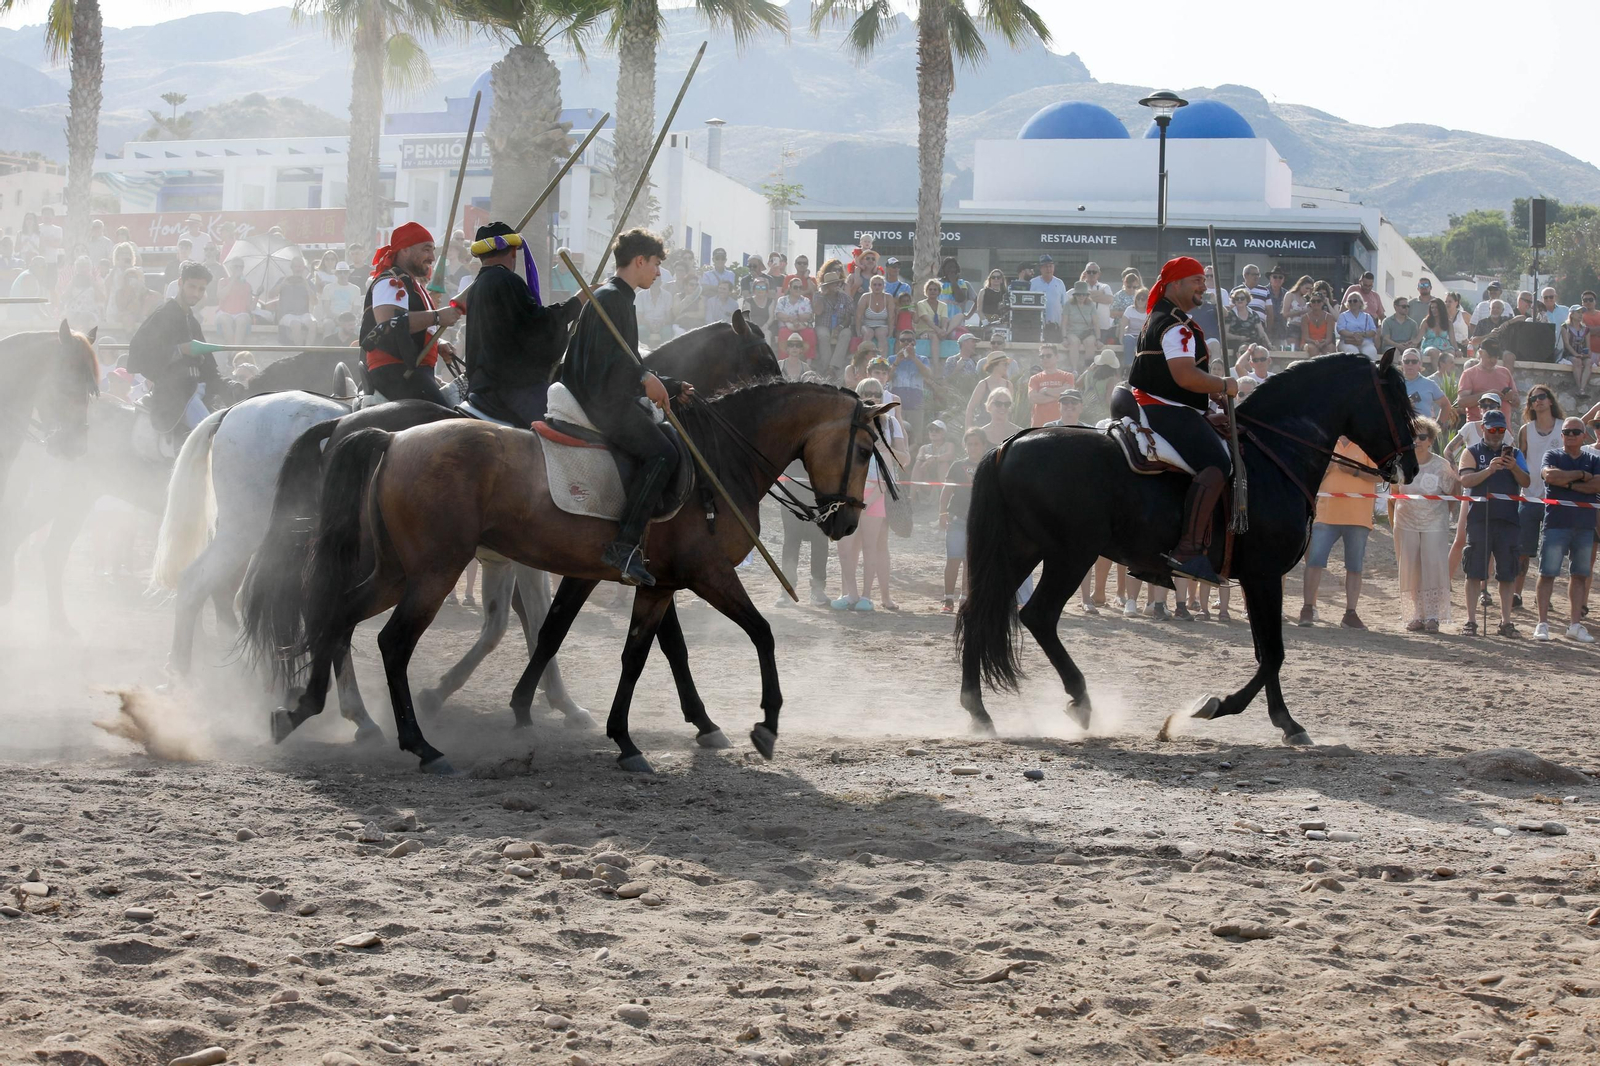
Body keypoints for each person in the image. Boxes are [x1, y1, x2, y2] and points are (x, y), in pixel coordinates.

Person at [559, 228, 691, 586]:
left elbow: (625, 360)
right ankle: (624, 546)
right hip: (601, 402)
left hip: (608, 395)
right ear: (639, 261)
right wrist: (642, 379)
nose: (658, 272)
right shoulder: (612, 299)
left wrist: (669, 384)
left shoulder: (616, 297)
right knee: (664, 453)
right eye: (656, 264)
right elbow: (608, 367)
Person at [1128, 256, 1237, 584]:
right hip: (1165, 409)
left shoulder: (1160, 316)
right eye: (1196, 280)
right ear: (1175, 285)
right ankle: (1188, 550)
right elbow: (1184, 376)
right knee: (1219, 463)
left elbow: (1177, 377)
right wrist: (1223, 385)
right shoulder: (1176, 325)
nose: (1203, 286)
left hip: (1158, 403)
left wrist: (1211, 395)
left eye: (1204, 280)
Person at [458, 221, 582, 426]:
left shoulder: (478, 285)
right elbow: (537, 325)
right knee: (564, 426)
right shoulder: (507, 280)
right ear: (513, 252)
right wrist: (577, 303)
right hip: (511, 386)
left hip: (482, 383)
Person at [359, 221, 462, 406]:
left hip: (415, 372)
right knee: (448, 423)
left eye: (432, 250)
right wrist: (438, 316)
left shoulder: (413, 284)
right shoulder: (390, 281)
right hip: (396, 372)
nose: (432, 257)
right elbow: (388, 325)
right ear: (405, 250)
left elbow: (414, 329)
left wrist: (437, 344)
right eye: (426, 249)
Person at [832, 375, 904, 612]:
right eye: (866, 393)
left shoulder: (890, 424)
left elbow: (903, 460)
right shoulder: (846, 423)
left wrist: (889, 450)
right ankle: (849, 594)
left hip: (878, 492)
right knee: (844, 548)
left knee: (872, 547)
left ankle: (866, 596)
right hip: (850, 494)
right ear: (858, 396)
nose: (871, 397)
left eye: (876, 393)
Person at [1457, 409, 1530, 636]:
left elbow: (1526, 482)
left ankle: (1506, 621)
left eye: (1500, 429)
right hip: (1480, 518)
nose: (1497, 434)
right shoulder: (1471, 452)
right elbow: (1465, 479)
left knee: (1508, 572)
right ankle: (1471, 621)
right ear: (1483, 429)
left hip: (1508, 520)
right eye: (1492, 429)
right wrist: (1489, 470)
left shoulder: (1515, 454)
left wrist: (1513, 467)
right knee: (1474, 571)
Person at [126, 260, 219, 434]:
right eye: (192, 286)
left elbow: (210, 368)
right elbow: (138, 351)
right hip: (176, 394)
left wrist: (231, 385)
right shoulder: (163, 315)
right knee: (211, 434)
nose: (196, 293)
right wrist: (178, 350)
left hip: (199, 390)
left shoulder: (193, 322)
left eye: (201, 289)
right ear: (180, 283)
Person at [1299, 437, 1378, 629]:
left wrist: (1356, 471)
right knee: (1314, 561)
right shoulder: (1324, 442)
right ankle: (1307, 608)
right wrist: (1325, 468)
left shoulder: (1368, 443)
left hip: (1358, 516)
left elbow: (1382, 475)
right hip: (1326, 514)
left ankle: (1350, 613)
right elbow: (1307, 474)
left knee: (1355, 566)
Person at [1534, 416, 1600, 641]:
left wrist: (1565, 482)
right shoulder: (1552, 455)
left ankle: (1575, 625)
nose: (1570, 435)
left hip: (1584, 525)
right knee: (1547, 573)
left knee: (1580, 575)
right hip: (1556, 523)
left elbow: (1598, 484)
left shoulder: (1593, 459)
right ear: (1561, 435)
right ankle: (1542, 623)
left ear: (1584, 435)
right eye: (1567, 432)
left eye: (1575, 432)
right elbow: (1549, 476)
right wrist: (1581, 477)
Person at [1388, 417, 1457, 632]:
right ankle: (1415, 615)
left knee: (1434, 566)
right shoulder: (1400, 464)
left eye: (1422, 436)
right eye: (1412, 436)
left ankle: (1433, 616)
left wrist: (1442, 516)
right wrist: (1394, 523)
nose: (1417, 440)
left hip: (1434, 524)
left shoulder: (1441, 465)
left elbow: (1453, 495)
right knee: (1410, 567)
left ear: (1431, 439)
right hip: (1406, 522)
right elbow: (1394, 495)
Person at [1512, 386, 1564, 608]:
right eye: (1533, 399)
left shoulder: (1564, 428)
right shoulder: (1526, 430)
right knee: (1523, 552)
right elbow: (1521, 458)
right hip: (1529, 496)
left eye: (1542, 397)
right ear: (1530, 405)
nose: (1538, 401)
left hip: (1556, 498)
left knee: (1550, 552)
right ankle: (1516, 594)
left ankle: (1544, 597)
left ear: (1550, 400)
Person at [939, 427, 988, 613]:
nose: (973, 447)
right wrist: (942, 513)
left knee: (970, 561)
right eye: (969, 444)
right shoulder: (957, 465)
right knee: (953, 559)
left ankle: (965, 598)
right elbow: (946, 492)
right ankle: (948, 599)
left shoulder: (989, 465)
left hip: (979, 523)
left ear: (984, 445)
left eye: (976, 444)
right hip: (957, 520)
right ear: (964, 446)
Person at [888, 328, 933, 444]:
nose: (907, 343)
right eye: (903, 340)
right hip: (897, 406)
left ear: (915, 343)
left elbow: (928, 374)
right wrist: (897, 362)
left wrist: (913, 358)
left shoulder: (922, 359)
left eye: (910, 340)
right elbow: (886, 378)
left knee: (916, 439)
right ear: (899, 342)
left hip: (916, 405)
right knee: (896, 436)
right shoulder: (892, 359)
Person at [1457, 336, 1517, 424]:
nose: (1493, 360)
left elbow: (1517, 403)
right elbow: (1461, 403)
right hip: (1478, 432)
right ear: (1480, 353)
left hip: (1503, 431)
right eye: (1490, 356)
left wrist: (1511, 398)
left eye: (1496, 357)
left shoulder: (1505, 372)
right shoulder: (1469, 374)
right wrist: (1487, 395)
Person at [811, 270, 853, 374]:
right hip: (823, 325)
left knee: (847, 333)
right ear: (827, 286)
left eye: (837, 283)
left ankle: (832, 367)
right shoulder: (818, 295)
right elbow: (817, 312)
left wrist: (840, 327)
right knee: (823, 335)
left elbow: (848, 317)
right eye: (832, 284)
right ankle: (827, 367)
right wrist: (822, 295)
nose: (836, 285)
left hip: (840, 325)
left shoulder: (845, 297)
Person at [272, 257, 317, 346]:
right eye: (296, 266)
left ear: (304, 268)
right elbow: (271, 295)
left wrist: (307, 285)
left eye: (300, 266)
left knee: (313, 324)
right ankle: (300, 352)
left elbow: (315, 302)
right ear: (291, 268)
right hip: (286, 315)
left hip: (304, 314)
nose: (298, 269)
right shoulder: (283, 280)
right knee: (296, 324)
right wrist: (282, 284)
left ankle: (307, 351)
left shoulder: (309, 282)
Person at [1027, 344, 1074, 426]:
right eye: (1042, 356)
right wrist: (1059, 396)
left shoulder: (1067, 376)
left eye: (1048, 356)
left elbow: (1068, 395)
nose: (1045, 358)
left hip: (1061, 425)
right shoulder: (1034, 379)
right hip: (1039, 425)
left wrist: (1046, 391)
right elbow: (1034, 398)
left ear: (1057, 357)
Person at [1399, 348, 1449, 424]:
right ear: (1402, 363)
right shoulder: (1395, 384)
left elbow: (1446, 405)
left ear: (1420, 364)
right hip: (1401, 430)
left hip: (1424, 432)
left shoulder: (1429, 384)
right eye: (1406, 361)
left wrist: (1438, 426)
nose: (1410, 364)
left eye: (1414, 361)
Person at [965, 350, 1012, 427]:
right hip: (983, 427)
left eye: (1007, 364)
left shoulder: (1008, 385)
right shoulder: (983, 384)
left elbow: (1010, 409)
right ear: (995, 365)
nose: (1007, 367)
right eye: (1004, 364)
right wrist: (968, 431)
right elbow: (970, 408)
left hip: (1002, 427)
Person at [1029, 254, 1068, 343]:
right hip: (1037, 325)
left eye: (1050, 266)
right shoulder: (1033, 283)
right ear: (1040, 268)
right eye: (1045, 267)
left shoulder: (1059, 283)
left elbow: (1065, 305)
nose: (1048, 269)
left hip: (1056, 325)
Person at [855, 272, 893, 355]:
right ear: (870, 286)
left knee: (881, 335)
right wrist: (858, 331)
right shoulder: (865, 297)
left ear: (883, 286)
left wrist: (890, 332)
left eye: (879, 285)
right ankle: (864, 359)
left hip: (882, 325)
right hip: (867, 325)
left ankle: (882, 361)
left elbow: (891, 317)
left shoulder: (888, 297)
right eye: (874, 284)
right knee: (868, 334)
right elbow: (858, 316)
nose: (877, 287)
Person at [1222, 288, 1269, 356]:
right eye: (1237, 298)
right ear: (1234, 301)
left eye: (1242, 298)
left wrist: (1269, 344)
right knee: (1243, 349)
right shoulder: (1230, 315)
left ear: (1247, 300)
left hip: (1253, 342)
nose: (1240, 300)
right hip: (1236, 343)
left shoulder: (1254, 314)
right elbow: (1225, 334)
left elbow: (1261, 332)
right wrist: (1239, 338)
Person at [1562, 305, 1593, 398]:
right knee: (1577, 361)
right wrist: (1576, 354)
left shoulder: (1586, 329)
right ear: (1572, 314)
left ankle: (1582, 388)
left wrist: (1587, 353)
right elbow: (1566, 344)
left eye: (1581, 313)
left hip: (1582, 353)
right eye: (1578, 312)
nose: (1580, 315)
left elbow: (1588, 345)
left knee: (1589, 362)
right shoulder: (1565, 327)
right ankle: (1579, 388)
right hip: (1569, 354)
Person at [1335, 291, 1378, 357]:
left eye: (1355, 301)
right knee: (1353, 352)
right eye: (1350, 301)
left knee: (1370, 351)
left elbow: (1373, 331)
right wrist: (1353, 335)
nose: (1352, 303)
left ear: (1360, 303)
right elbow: (1340, 330)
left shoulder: (1367, 316)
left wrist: (1362, 334)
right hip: (1347, 342)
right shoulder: (1343, 316)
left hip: (1365, 341)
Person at [319, 261, 363, 325]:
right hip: (332, 318)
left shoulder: (356, 289)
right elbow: (326, 308)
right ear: (336, 274)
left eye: (345, 272)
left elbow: (355, 309)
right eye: (340, 272)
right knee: (327, 324)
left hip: (349, 318)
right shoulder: (328, 288)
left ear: (349, 273)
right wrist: (335, 318)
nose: (342, 274)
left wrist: (346, 319)